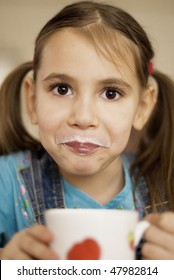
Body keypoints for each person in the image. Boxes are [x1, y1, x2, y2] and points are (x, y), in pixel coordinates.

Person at [0, 1, 174, 260]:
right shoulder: (6, 181)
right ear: (32, 99)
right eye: (62, 89)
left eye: (111, 93)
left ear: (142, 107)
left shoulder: (167, 184)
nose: (83, 118)